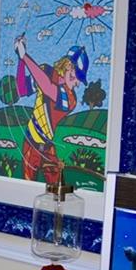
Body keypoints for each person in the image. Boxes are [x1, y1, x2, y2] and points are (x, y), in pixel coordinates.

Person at [13, 36, 86, 186]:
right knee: (27, 187)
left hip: (48, 149)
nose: (77, 82)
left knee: (56, 189)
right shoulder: (45, 71)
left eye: (79, 78)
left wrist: (25, 56)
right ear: (67, 65)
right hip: (30, 145)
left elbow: (47, 88)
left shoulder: (71, 100)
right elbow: (21, 89)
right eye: (76, 75)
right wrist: (20, 59)